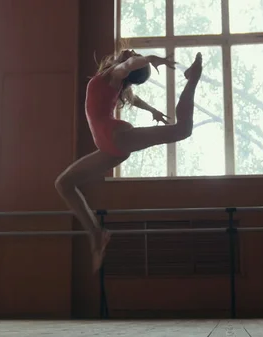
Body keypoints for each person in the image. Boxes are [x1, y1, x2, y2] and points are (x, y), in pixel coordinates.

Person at [55, 49, 203, 272]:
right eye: (135, 52)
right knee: (64, 184)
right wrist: (152, 108)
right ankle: (96, 236)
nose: (131, 51)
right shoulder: (113, 82)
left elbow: (128, 65)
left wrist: (149, 60)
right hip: (109, 147)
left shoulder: (115, 74)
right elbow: (133, 95)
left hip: (116, 138)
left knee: (183, 130)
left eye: (134, 54)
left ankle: (193, 78)